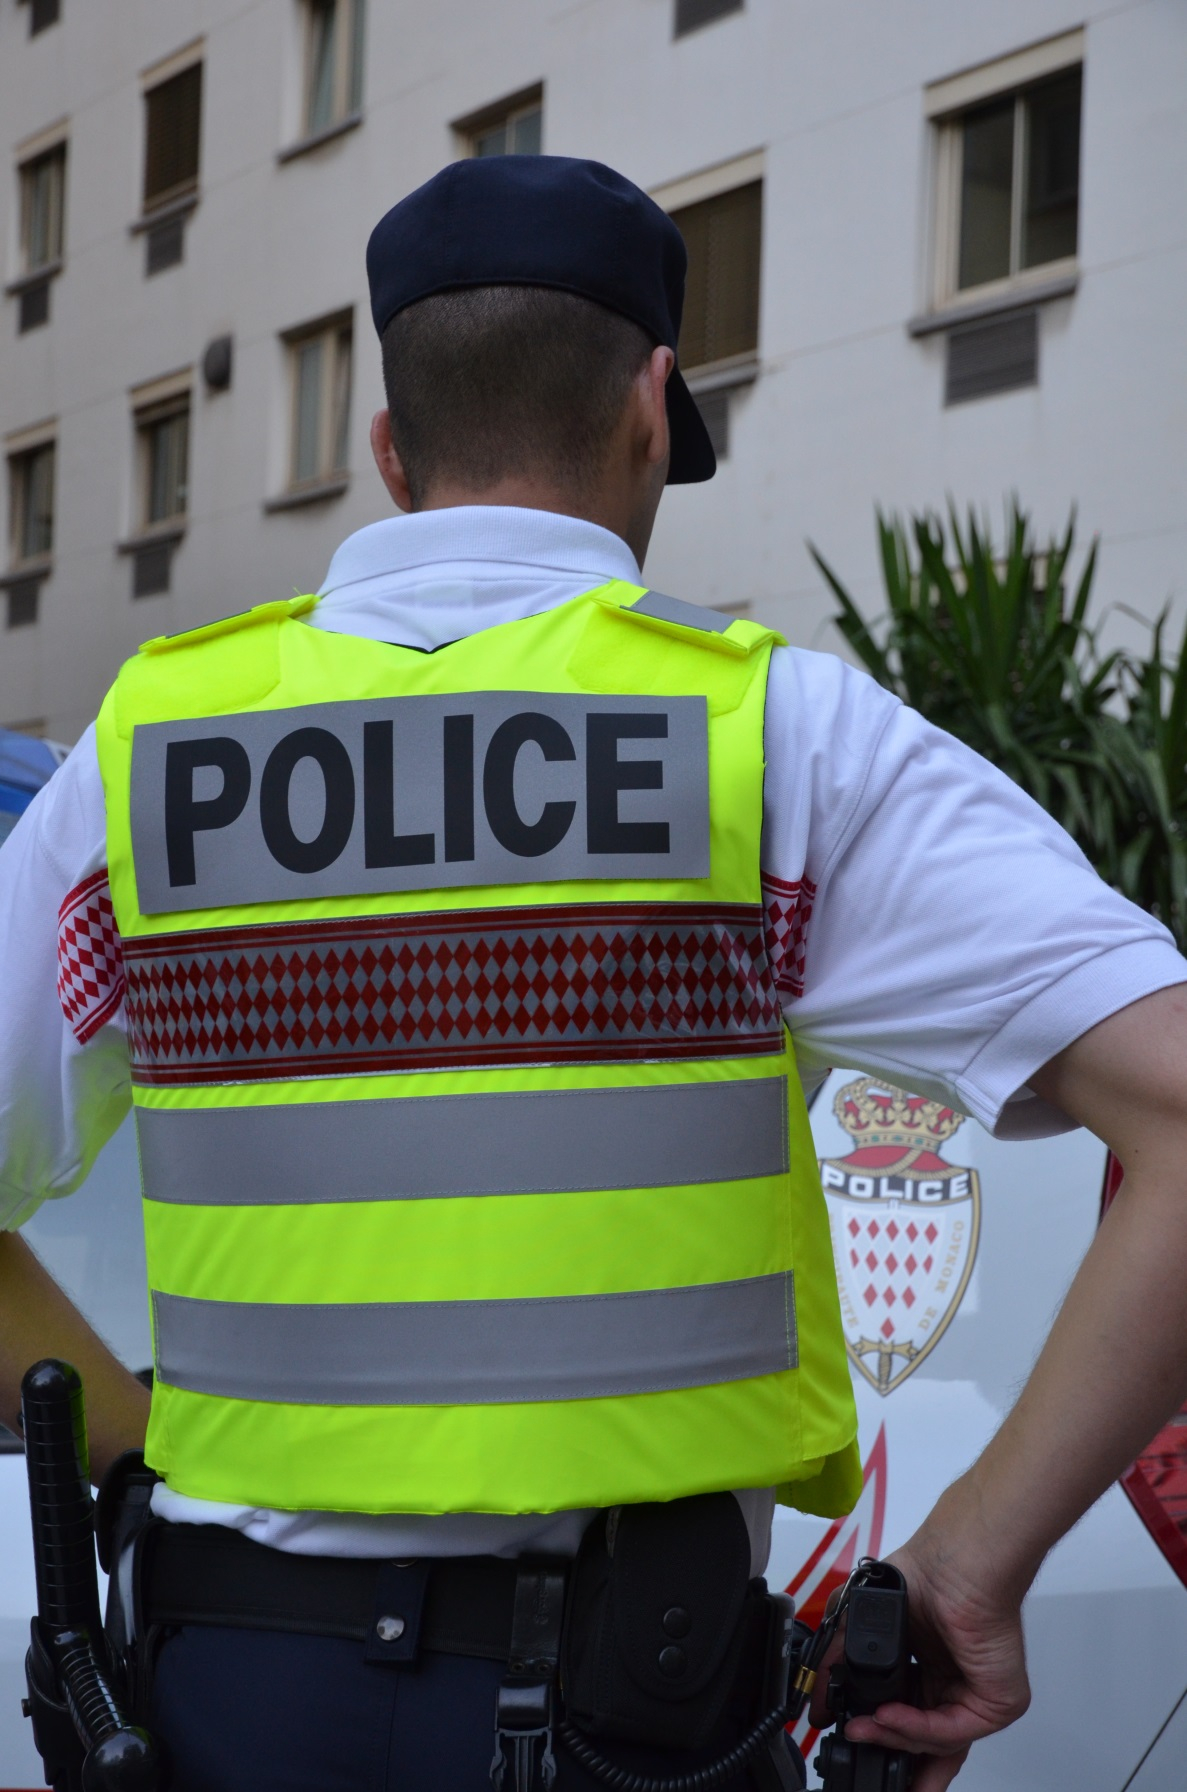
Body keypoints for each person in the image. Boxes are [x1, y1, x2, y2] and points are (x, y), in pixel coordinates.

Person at [2, 154, 1186, 1792]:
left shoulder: (147, 757)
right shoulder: (772, 741)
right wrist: (976, 1555)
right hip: (634, 1708)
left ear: (386, 445)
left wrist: (136, 1461)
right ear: (651, 405)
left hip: (227, 1694)